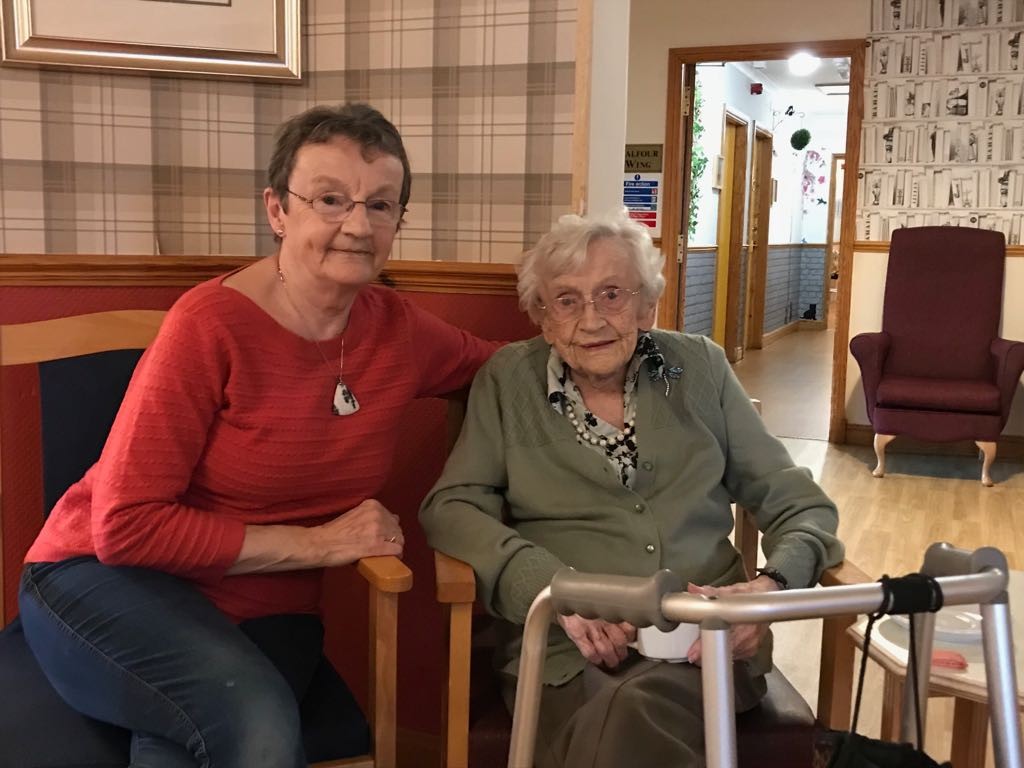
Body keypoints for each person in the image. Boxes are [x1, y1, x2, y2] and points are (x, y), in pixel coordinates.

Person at [18, 103, 497, 768]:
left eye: (381, 205)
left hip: (266, 606)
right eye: (331, 199)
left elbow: (505, 368)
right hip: (109, 582)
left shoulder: (401, 331)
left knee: (205, 735)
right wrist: (319, 543)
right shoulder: (209, 325)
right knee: (256, 720)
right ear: (277, 210)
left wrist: (618, 340)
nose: (357, 225)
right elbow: (126, 526)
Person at [419, 211, 844, 768]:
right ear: (543, 319)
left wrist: (768, 586)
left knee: (632, 710)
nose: (591, 318)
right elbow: (450, 506)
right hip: (569, 652)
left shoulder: (701, 369)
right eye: (567, 300)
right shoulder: (508, 380)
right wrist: (552, 588)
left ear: (647, 304)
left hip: (704, 645)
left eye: (611, 294)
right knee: (625, 710)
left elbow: (799, 504)